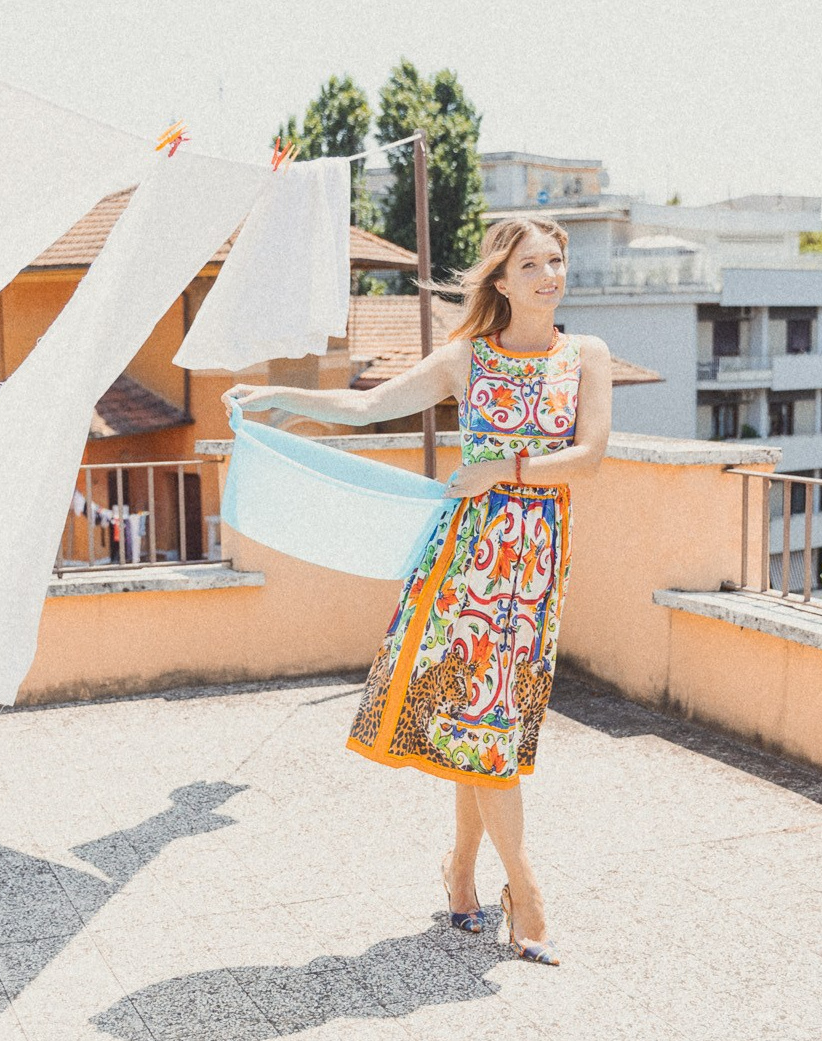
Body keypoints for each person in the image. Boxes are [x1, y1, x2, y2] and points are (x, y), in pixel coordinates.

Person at [220, 217, 612, 966]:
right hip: (464, 563)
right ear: (499, 280)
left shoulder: (584, 355)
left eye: (555, 261)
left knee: (483, 723)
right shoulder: (467, 358)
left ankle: (460, 871)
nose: (547, 275)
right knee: (480, 720)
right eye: (530, 264)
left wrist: (503, 470)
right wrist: (276, 395)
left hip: (533, 570)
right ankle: (522, 891)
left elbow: (588, 457)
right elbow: (369, 407)